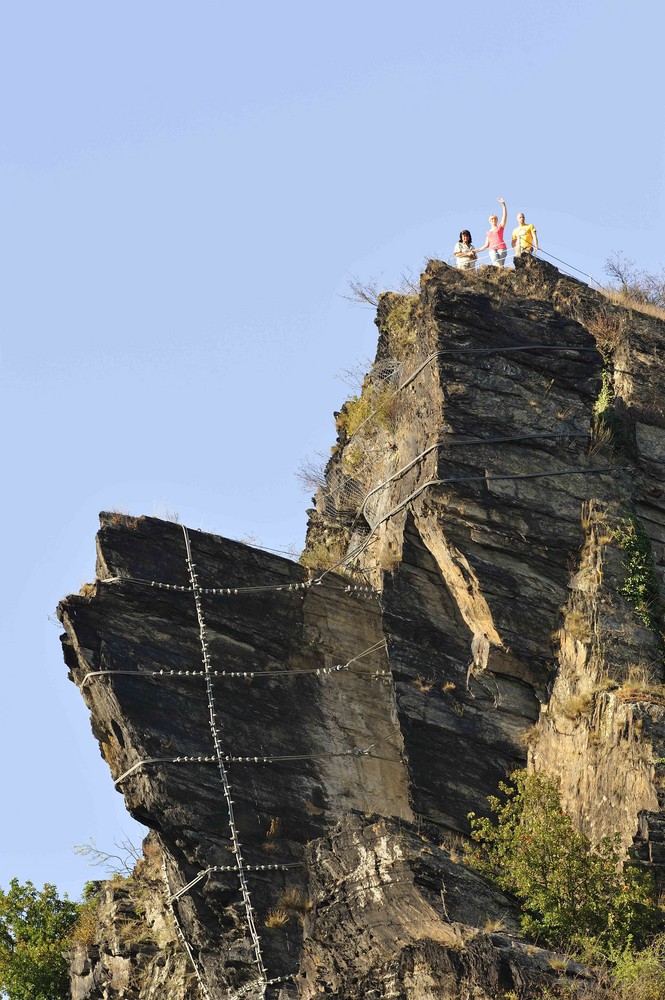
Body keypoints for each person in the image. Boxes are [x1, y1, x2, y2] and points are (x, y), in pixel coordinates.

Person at [475, 198, 508, 266]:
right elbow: (486, 245)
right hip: (492, 249)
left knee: (500, 265)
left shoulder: (500, 227)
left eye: (495, 219)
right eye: (492, 219)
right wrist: (477, 250)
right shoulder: (488, 232)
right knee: (496, 263)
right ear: (490, 221)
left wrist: (503, 204)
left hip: (501, 248)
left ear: (497, 220)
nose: (494, 220)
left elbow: (504, 216)